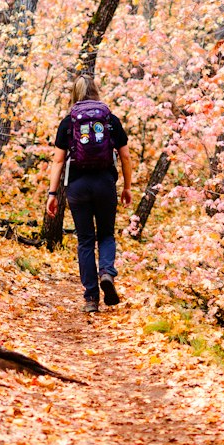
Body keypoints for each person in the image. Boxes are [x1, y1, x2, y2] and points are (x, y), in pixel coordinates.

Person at [46, 77, 132, 313]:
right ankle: (106, 272)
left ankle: (91, 299)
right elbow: (125, 156)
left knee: (85, 240)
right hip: (105, 184)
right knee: (106, 235)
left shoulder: (68, 122)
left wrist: (52, 193)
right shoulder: (109, 120)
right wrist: (127, 187)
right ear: (96, 92)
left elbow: (58, 160)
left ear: (74, 94)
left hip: (77, 186)